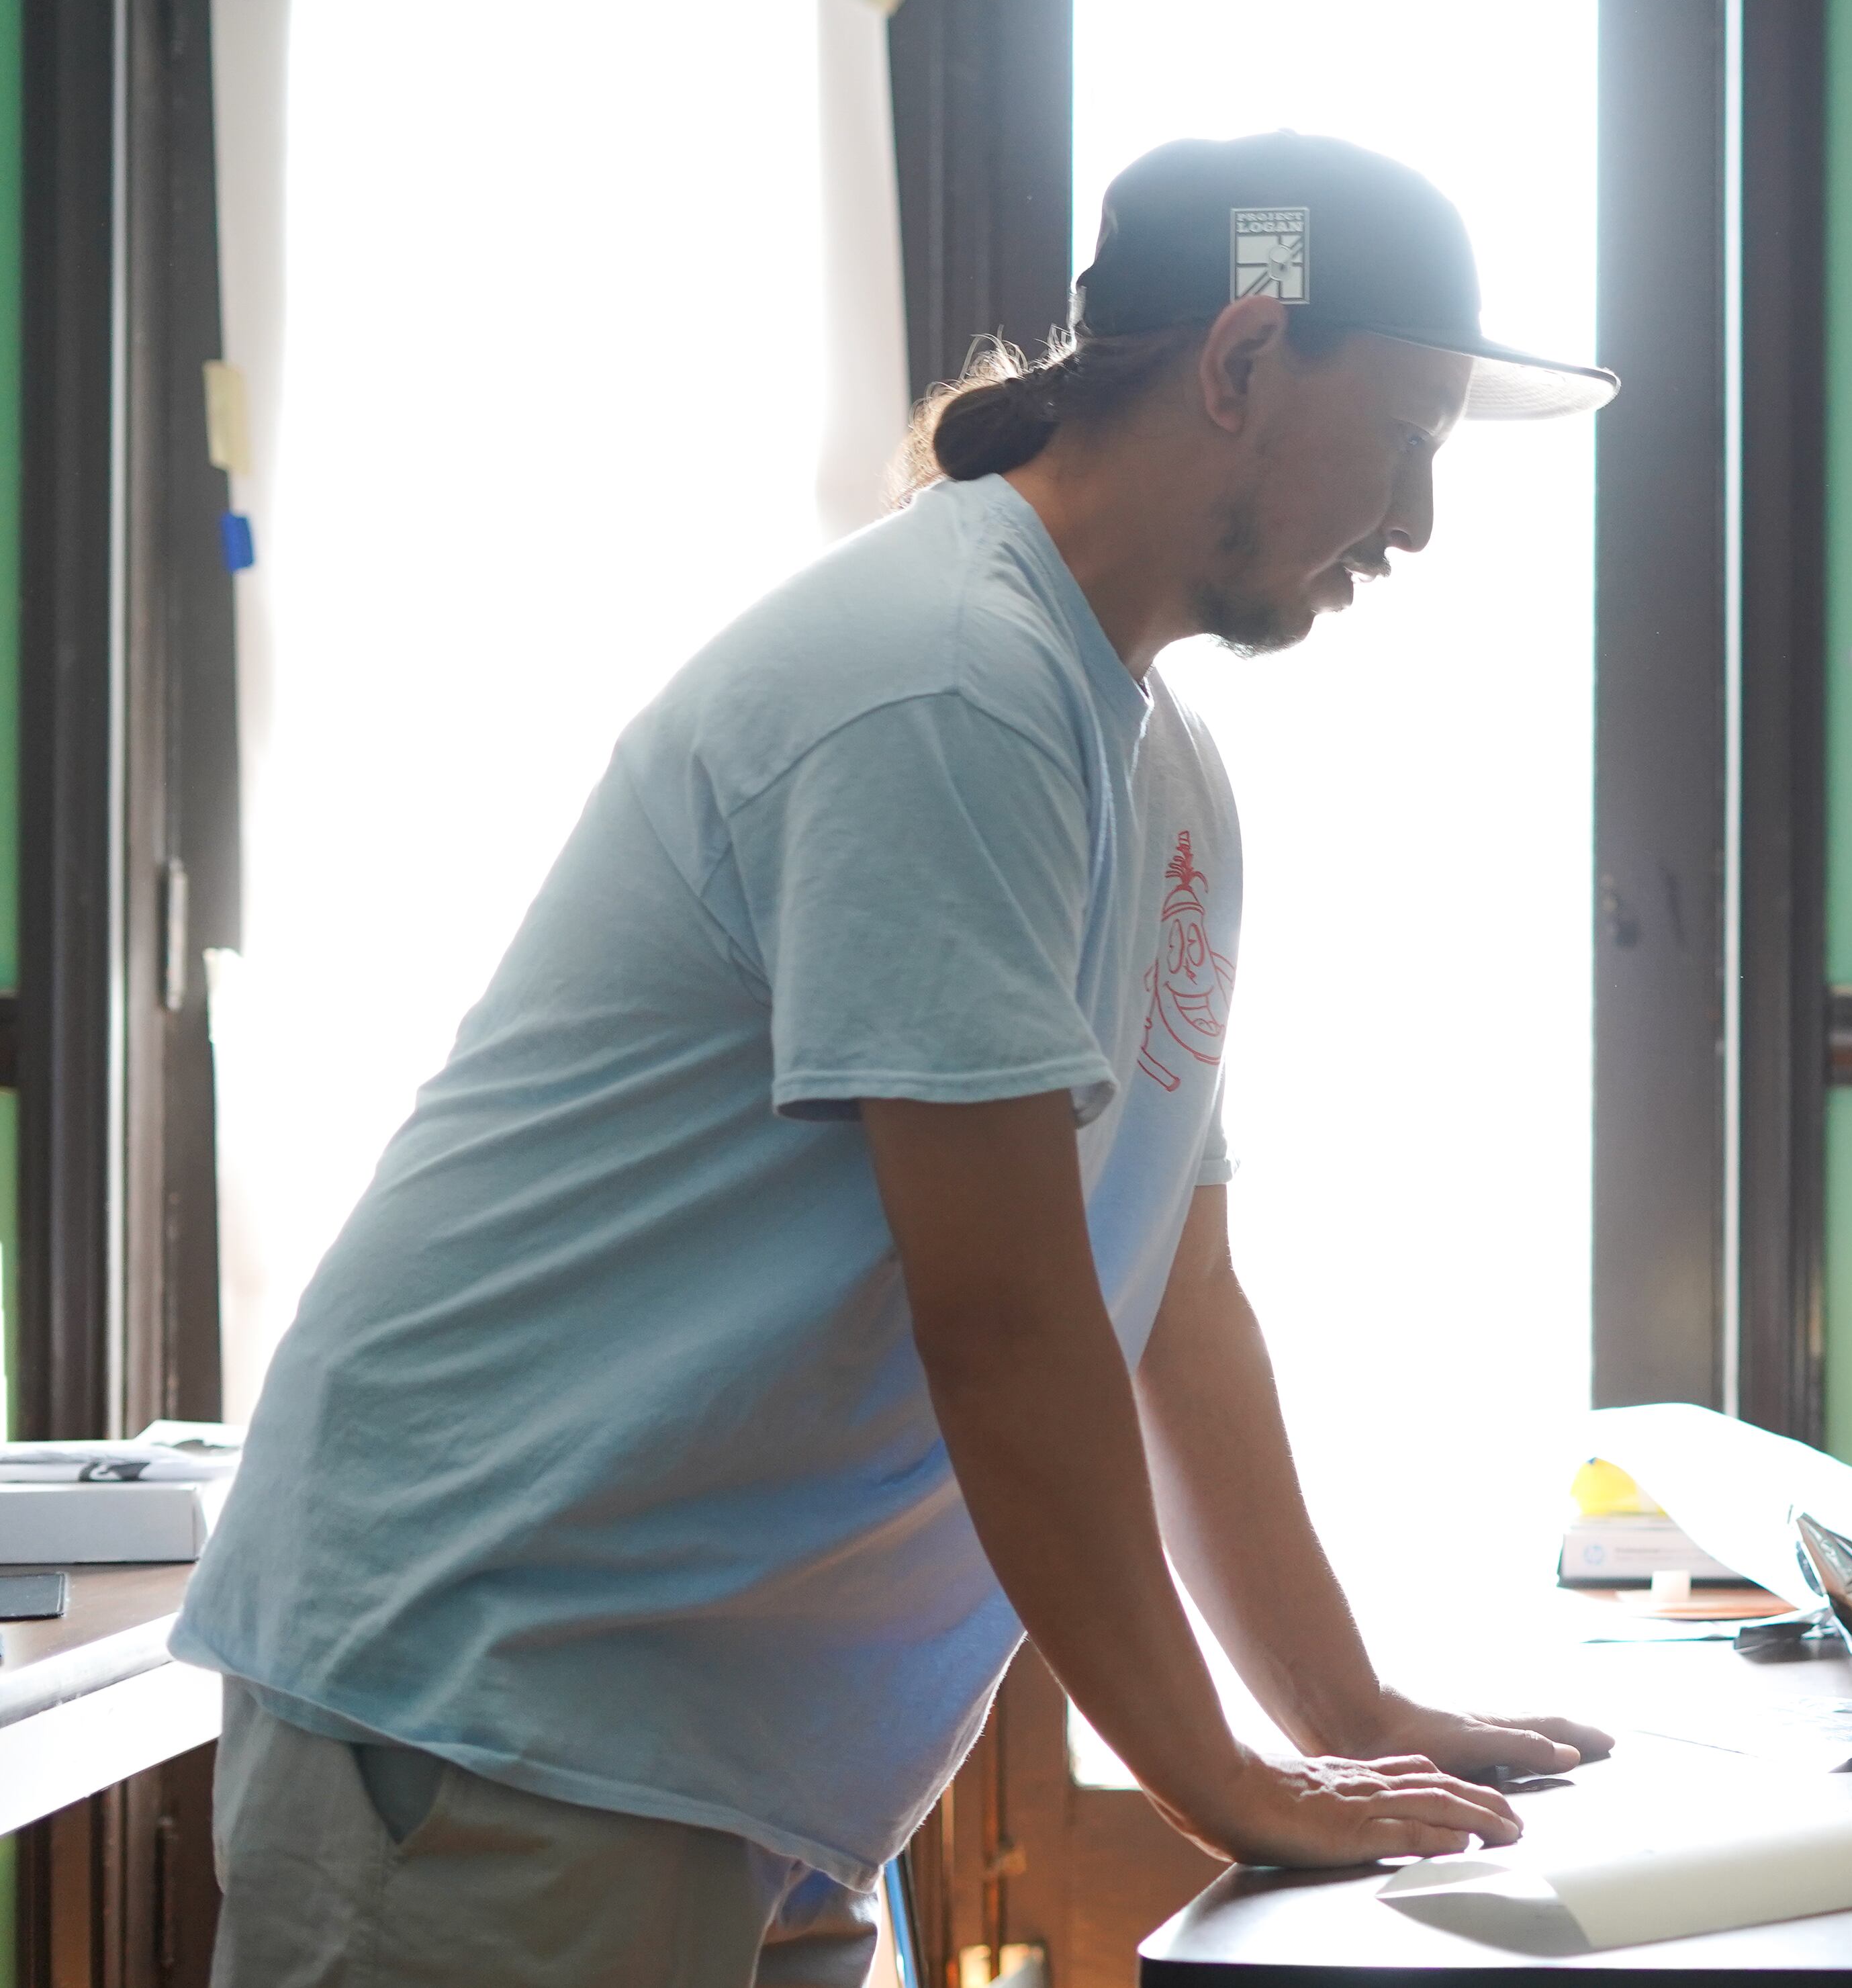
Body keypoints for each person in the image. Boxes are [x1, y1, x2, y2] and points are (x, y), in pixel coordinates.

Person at [176, 133, 1622, 1985]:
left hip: (736, 1754)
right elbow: (1007, 1323)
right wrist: (1224, 1780)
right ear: (1244, 359)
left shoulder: (1157, 764)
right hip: (499, 1708)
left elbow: (1171, 1292)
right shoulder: (943, 683)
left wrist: (1350, 1708)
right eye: (1412, 431)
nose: (1417, 523)